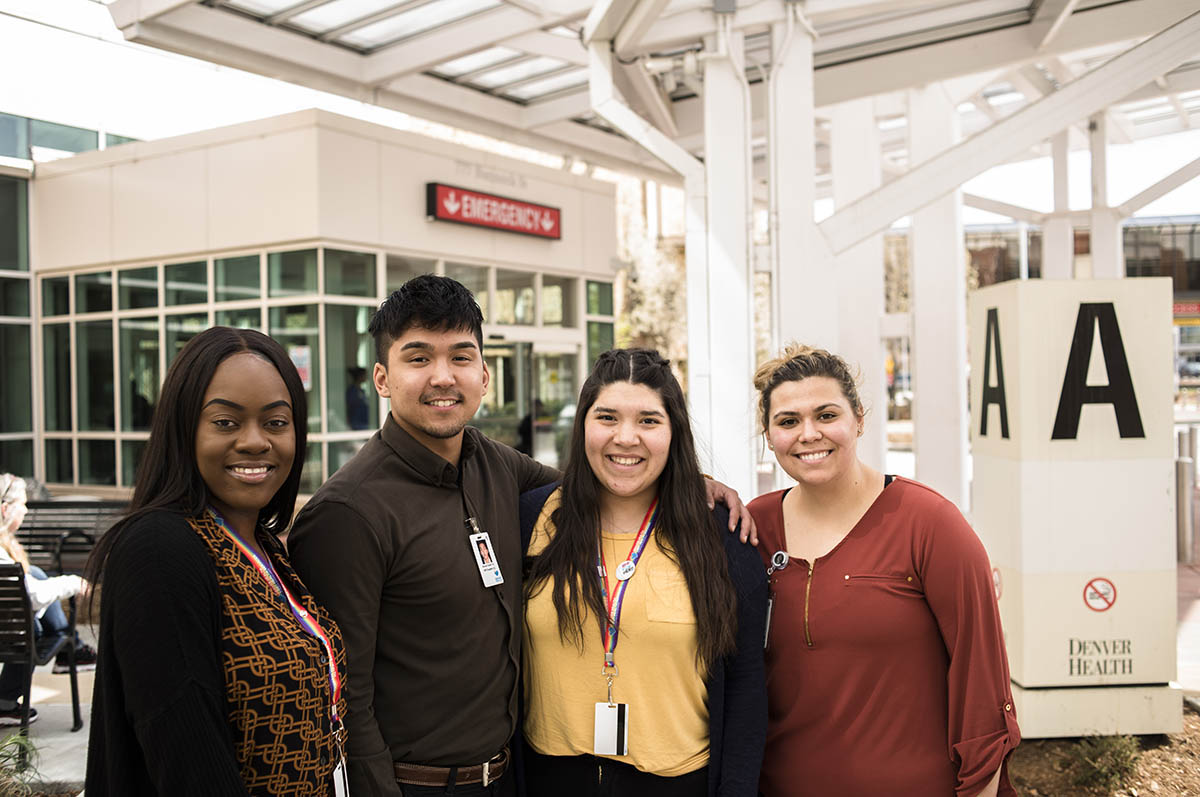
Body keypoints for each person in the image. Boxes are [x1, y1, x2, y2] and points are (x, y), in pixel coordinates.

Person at [288, 275, 753, 797]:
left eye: (460, 357)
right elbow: (341, 696)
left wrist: (689, 482)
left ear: (484, 375)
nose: (443, 376)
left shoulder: (493, 464)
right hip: (414, 785)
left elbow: (603, 480)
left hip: (511, 778)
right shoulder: (348, 513)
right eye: (418, 358)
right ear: (381, 377)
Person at [85, 327, 348, 797]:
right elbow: (187, 760)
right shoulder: (159, 550)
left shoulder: (266, 548)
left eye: (276, 422)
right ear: (184, 428)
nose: (255, 442)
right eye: (226, 422)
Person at [747, 344, 1020, 797]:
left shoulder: (928, 523)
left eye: (827, 415)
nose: (809, 434)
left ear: (858, 417)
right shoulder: (754, 531)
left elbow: (983, 686)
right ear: (768, 433)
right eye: (788, 421)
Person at [519, 348, 767, 797]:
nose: (626, 438)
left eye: (649, 421)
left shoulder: (722, 535)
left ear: (674, 432)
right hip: (551, 780)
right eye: (607, 417)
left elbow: (747, 688)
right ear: (583, 426)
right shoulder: (533, 519)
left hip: (678, 784)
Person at [0, 474, 97, 725]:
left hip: (8, 627)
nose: (26, 510)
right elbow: (34, 596)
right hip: (12, 636)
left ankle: (71, 649)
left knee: (37, 573)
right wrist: (72, 582)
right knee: (28, 627)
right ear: (5, 509)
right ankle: (70, 650)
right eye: (23, 504)